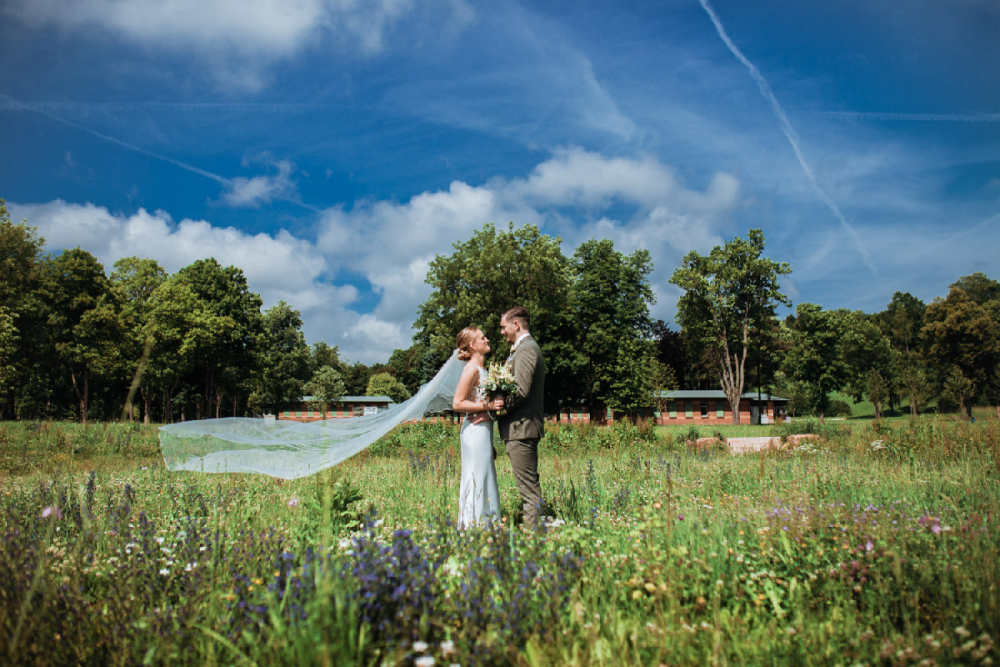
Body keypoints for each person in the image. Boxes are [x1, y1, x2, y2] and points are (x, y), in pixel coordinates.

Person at [491, 306, 545, 528]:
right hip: (518, 428)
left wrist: (497, 409)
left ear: (516, 325)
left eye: (503, 327)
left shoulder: (527, 350)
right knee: (528, 484)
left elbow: (521, 390)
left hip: (522, 428)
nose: (501, 332)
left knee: (528, 489)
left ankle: (534, 536)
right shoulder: (518, 350)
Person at [452, 326, 504, 527]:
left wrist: (491, 410)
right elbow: (457, 403)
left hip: (484, 430)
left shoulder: (483, 370)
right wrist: (488, 406)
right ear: (473, 345)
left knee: (485, 473)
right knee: (476, 475)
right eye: (483, 338)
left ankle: (487, 524)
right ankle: (472, 525)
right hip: (474, 431)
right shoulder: (472, 370)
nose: (488, 340)